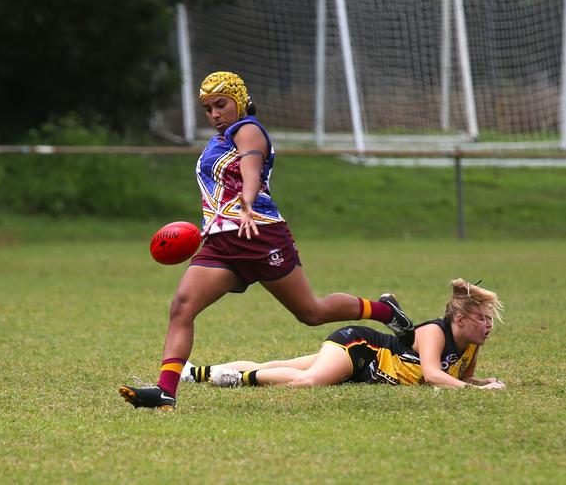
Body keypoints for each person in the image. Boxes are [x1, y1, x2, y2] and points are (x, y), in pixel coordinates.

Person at [119, 71, 415, 411]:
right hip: (221, 242)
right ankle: (165, 393)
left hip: (259, 234)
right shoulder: (216, 141)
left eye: (221, 104)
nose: (214, 113)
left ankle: (384, 310)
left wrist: (247, 200)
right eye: (208, 108)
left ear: (240, 101)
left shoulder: (247, 130)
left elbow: (251, 167)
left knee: (311, 312)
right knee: (182, 307)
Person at [182, 279, 505, 390]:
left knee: (281, 365)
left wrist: (484, 383)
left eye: (489, 319)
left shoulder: (470, 344)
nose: (488, 325)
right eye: (482, 318)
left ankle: (194, 372)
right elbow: (434, 376)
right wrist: (473, 391)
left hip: (366, 366)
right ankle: (239, 379)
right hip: (360, 348)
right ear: (459, 319)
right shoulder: (435, 331)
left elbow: (461, 378)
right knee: (307, 382)